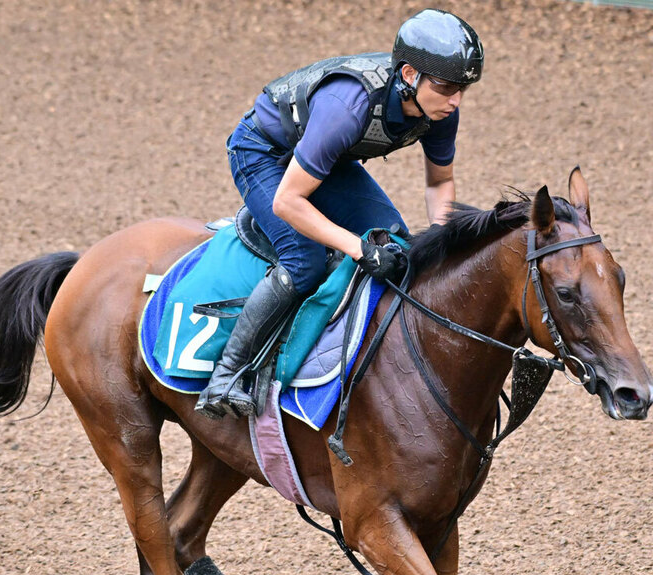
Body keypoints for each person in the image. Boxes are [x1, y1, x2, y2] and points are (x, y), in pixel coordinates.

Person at [196, 8, 484, 419]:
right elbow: (287, 202)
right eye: (446, 87)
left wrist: (440, 242)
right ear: (408, 76)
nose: (455, 100)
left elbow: (439, 183)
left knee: (398, 244)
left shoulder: (439, 110)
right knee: (304, 261)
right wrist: (358, 248)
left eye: (463, 89)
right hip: (263, 154)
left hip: (326, 162)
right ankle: (226, 375)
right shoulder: (348, 106)